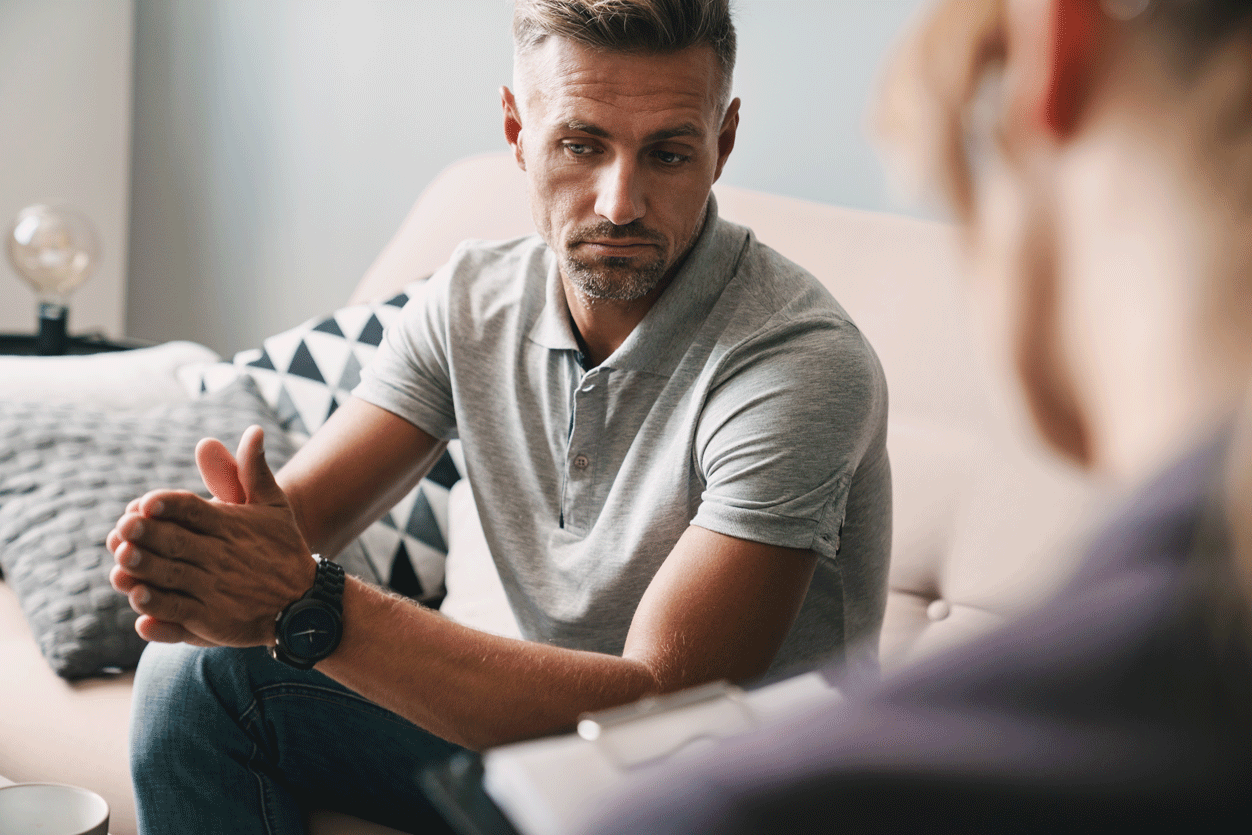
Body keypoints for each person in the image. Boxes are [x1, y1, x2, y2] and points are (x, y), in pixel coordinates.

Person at [106, 1, 891, 832]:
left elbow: (657, 704)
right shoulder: (470, 303)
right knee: (188, 679)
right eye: (581, 145)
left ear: (722, 142)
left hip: (717, 792)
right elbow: (301, 520)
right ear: (517, 129)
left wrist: (310, 602)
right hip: (513, 754)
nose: (620, 203)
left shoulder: (798, 361)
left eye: (667, 152)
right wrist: (212, 559)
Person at [577, 0, 1252, 832]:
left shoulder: (754, 809)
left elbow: (657, 687)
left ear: (1057, 42)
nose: (617, 205)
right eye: (581, 144)